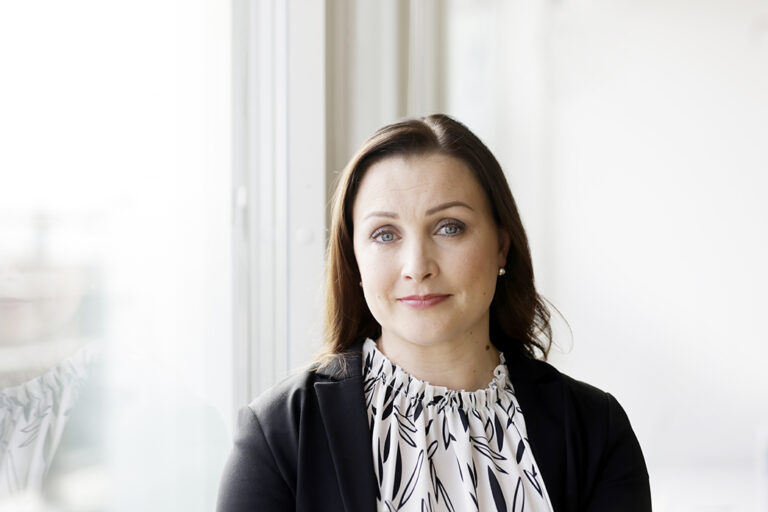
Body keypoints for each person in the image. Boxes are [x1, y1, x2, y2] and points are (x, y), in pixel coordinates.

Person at [216, 114, 651, 511]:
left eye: (449, 228)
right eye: (385, 234)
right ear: (354, 260)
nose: (417, 266)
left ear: (501, 246)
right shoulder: (278, 436)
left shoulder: (596, 430)